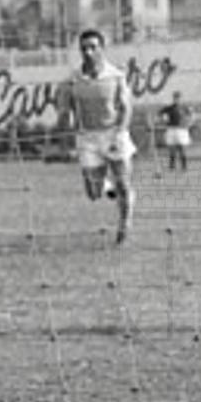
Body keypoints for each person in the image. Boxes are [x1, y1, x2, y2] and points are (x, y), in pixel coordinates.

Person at [56, 29, 137, 245]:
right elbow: (64, 111)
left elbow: (126, 107)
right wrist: (64, 133)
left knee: (124, 183)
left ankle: (124, 225)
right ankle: (108, 187)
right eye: (84, 48)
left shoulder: (116, 76)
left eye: (93, 47)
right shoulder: (72, 80)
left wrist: (120, 133)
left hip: (114, 133)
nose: (88, 52)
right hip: (88, 138)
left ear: (102, 48)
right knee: (93, 193)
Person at [160, 91, 193, 172]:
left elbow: (191, 115)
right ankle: (172, 166)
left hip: (181, 130)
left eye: (178, 97)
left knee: (182, 148)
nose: (177, 99)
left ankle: (184, 167)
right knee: (172, 149)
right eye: (175, 97)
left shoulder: (185, 107)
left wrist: (189, 124)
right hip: (171, 129)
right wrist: (163, 119)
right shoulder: (169, 108)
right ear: (173, 98)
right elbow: (161, 114)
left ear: (181, 98)